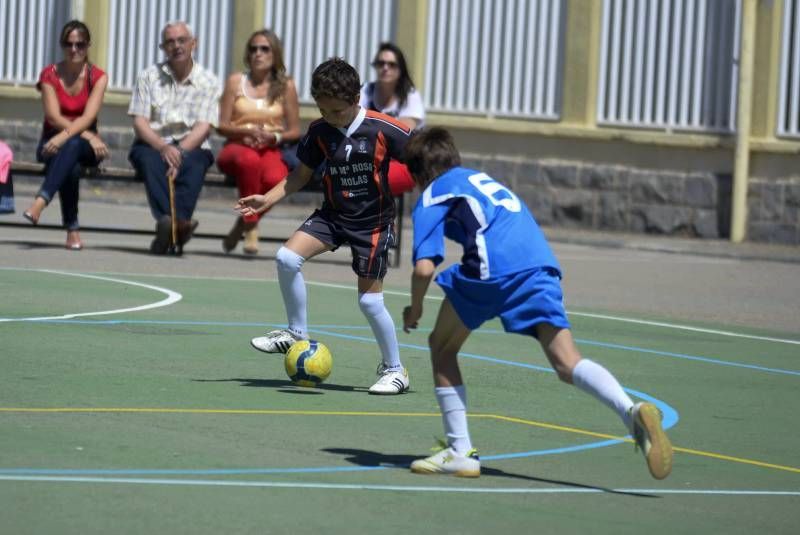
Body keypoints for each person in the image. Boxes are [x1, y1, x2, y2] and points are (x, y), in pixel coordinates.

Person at [401, 127, 673, 479]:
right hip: (540, 263)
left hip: (493, 269)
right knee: (567, 362)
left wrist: (415, 308)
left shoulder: (432, 195)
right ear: (455, 158)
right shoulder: (481, 179)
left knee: (442, 346)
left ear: (417, 174)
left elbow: (424, 269)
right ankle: (630, 410)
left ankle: (460, 451)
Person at [237, 58, 412, 395]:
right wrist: (266, 200)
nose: (330, 118)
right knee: (286, 259)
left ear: (356, 98)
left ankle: (395, 370)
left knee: (370, 303)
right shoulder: (319, 131)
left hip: (372, 223)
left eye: (337, 112)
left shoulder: (384, 128)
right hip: (333, 215)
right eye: (323, 110)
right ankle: (295, 334)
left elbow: (425, 157)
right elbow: (300, 176)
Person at [128, 21, 221, 254]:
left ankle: (171, 228)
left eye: (182, 40)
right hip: (154, 141)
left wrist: (179, 152)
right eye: (170, 42)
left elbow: (204, 126)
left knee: (196, 162)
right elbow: (140, 121)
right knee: (149, 160)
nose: (176, 46)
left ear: (194, 43)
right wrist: (163, 147)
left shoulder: (208, 81)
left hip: (191, 143)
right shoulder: (148, 77)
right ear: (163, 47)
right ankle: (174, 224)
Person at [23, 20, 109, 250]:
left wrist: (72, 136)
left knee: (70, 146)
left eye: (80, 45)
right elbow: (52, 116)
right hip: (54, 141)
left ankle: (40, 202)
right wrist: (83, 135)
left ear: (88, 46)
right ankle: (72, 229)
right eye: (68, 44)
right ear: (62, 46)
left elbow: (88, 117)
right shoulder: (49, 74)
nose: (74, 50)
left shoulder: (98, 77)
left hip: (86, 147)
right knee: (69, 161)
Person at [216, 29, 301, 255]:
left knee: (277, 179)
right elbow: (221, 125)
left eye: (264, 49)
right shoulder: (236, 81)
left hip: (270, 147)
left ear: (275, 54)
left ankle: (242, 223)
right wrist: (245, 133)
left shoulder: (286, 85)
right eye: (253, 49)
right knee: (248, 161)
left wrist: (275, 137)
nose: (258, 54)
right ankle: (252, 226)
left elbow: (294, 130)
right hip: (237, 145)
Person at [359, 42, 424, 196]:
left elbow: (403, 134)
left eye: (392, 64)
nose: (385, 68)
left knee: (368, 182)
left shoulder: (410, 95)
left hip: (403, 162)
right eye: (381, 63)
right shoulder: (365, 91)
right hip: (367, 158)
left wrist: (369, 126)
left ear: (400, 69)